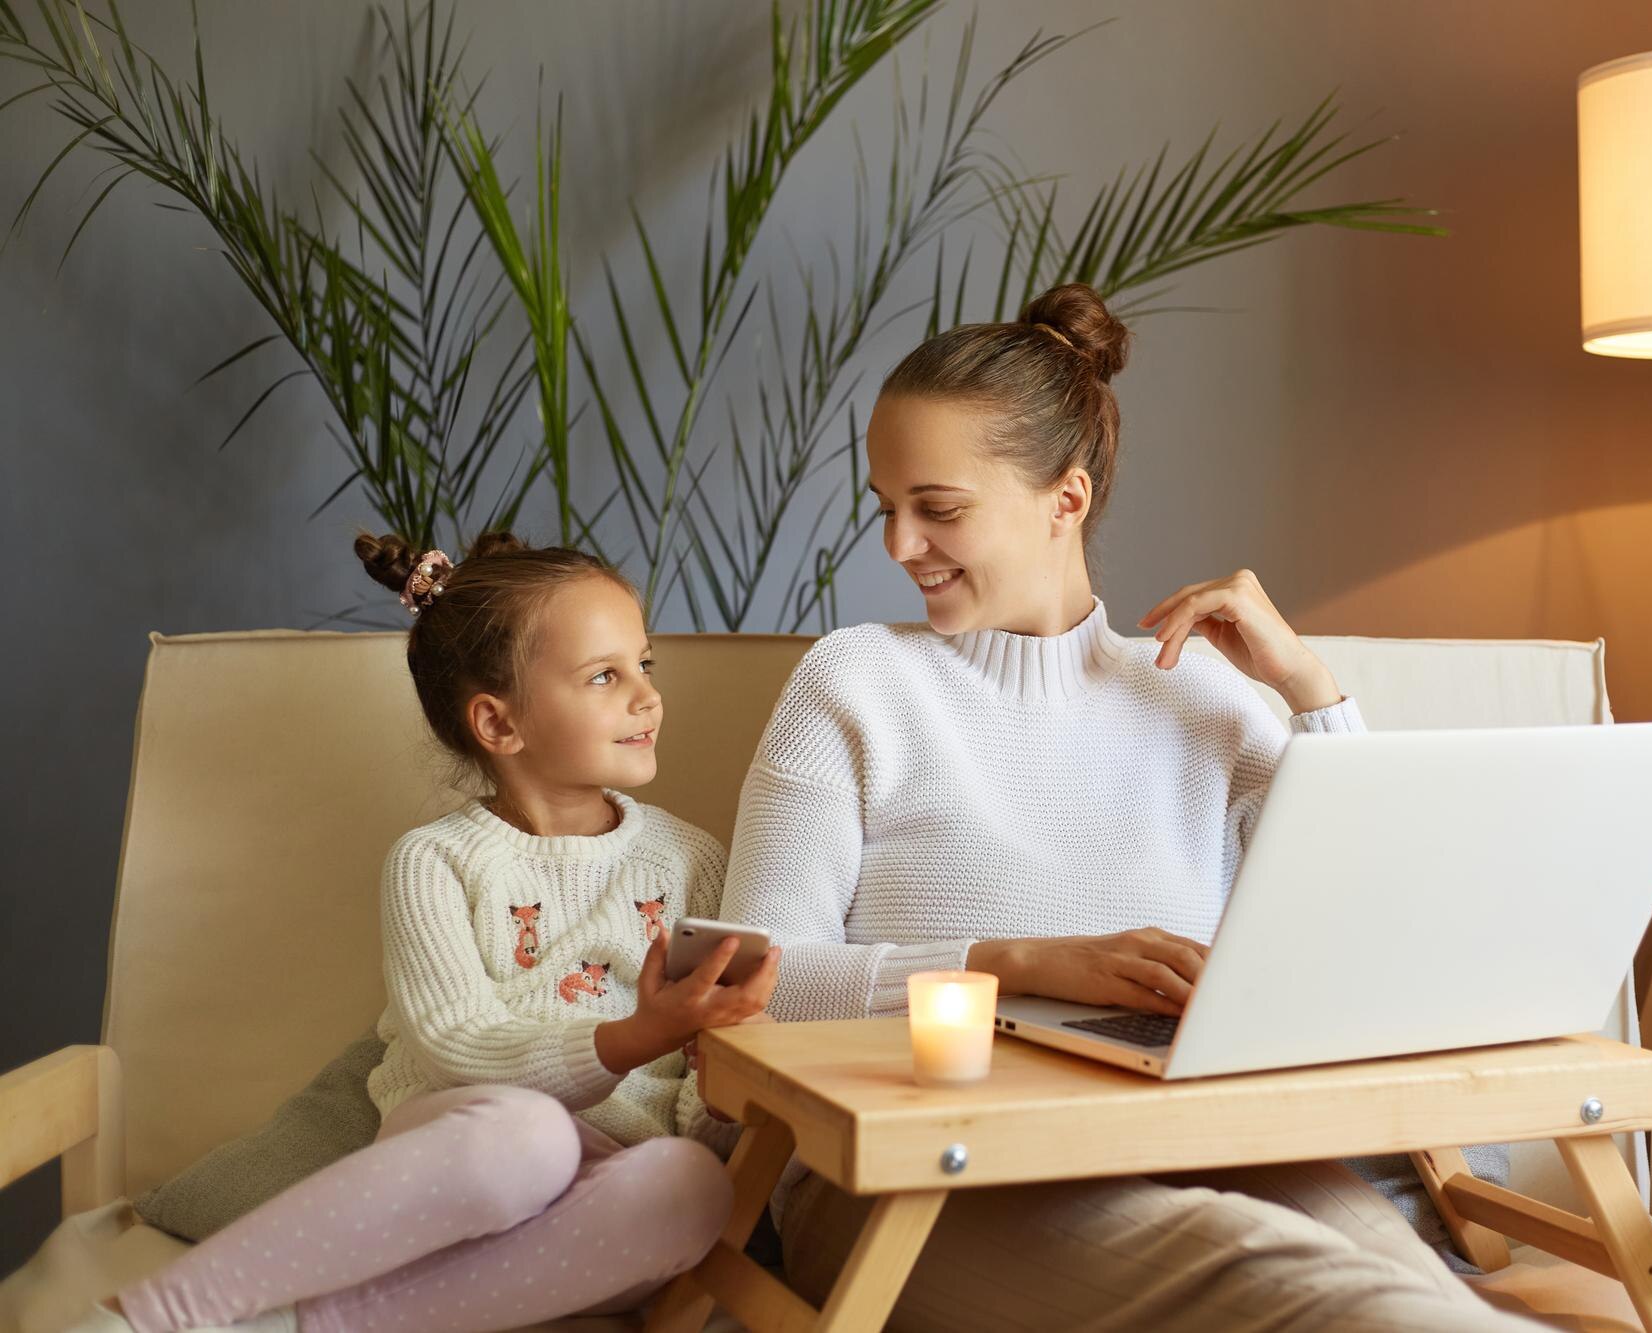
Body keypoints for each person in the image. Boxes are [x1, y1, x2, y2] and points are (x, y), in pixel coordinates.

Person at [717, 282, 1556, 1330]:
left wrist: (1305, 685)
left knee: (1423, 1295)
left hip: (1191, 1142)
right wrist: (1009, 964)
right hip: (912, 1185)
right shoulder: (851, 682)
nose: (896, 546)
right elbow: (751, 979)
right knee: (1312, 1295)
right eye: (884, 506)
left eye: (937, 508)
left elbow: (1377, 926)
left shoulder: (1195, 694)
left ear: (1063, 499)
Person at [80, 533, 779, 1333]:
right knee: (530, 1136)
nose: (647, 697)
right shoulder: (435, 862)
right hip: (469, 1150)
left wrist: (719, 1063)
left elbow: (700, 1108)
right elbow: (458, 1042)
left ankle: (318, 1322)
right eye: (604, 676)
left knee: (694, 1184)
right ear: (498, 723)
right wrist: (632, 1034)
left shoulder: (692, 858)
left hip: (607, 1188)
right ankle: (151, 1315)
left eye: (644, 665)